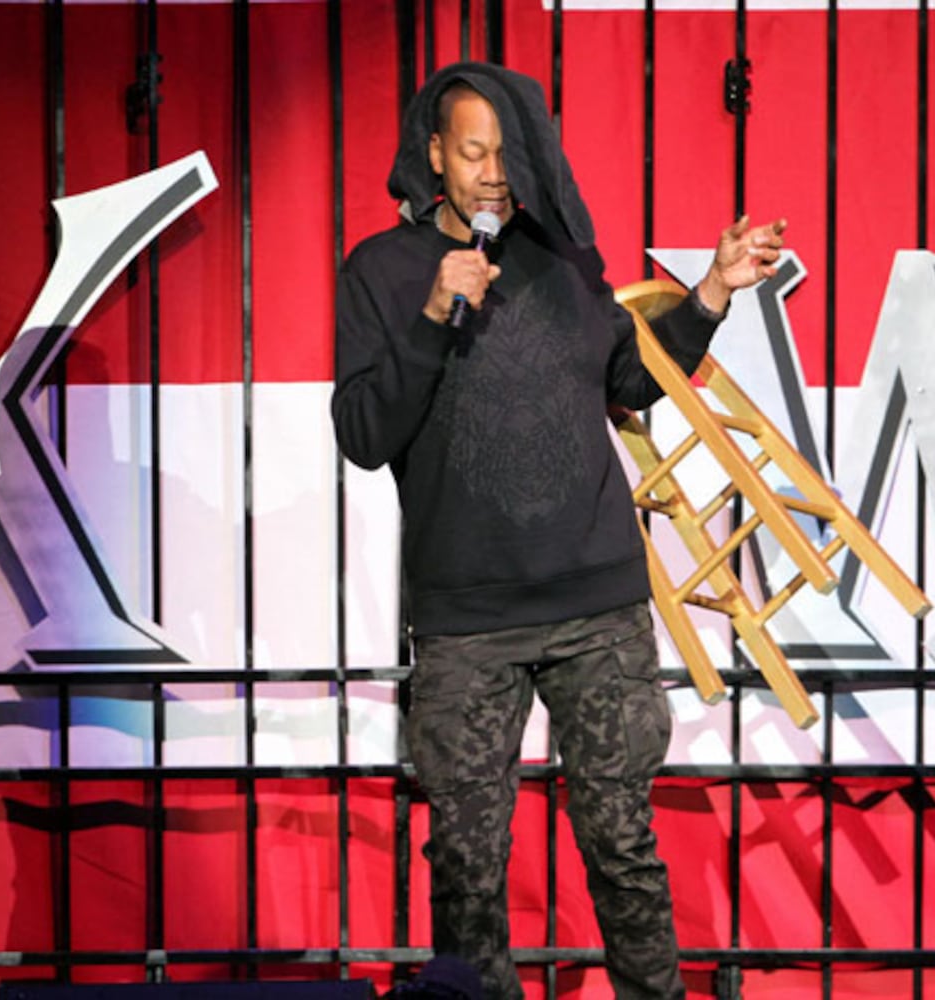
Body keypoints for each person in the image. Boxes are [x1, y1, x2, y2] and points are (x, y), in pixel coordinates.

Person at [332, 62, 785, 1000]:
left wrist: (709, 293)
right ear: (434, 155)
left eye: (508, 152)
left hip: (597, 606)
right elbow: (364, 437)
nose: (493, 173)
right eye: (473, 152)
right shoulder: (381, 271)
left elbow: (629, 383)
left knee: (622, 847)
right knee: (467, 867)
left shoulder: (565, 257)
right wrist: (431, 316)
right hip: (467, 620)